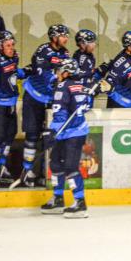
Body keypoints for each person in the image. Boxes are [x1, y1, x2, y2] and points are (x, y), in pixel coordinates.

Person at [40, 58, 94, 218]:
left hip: (73, 133)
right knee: (56, 164)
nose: (56, 75)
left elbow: (60, 114)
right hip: (71, 132)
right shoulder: (81, 87)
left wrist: (51, 131)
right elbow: (87, 104)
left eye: (58, 71)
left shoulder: (62, 87)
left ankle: (80, 203)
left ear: (66, 73)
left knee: (70, 167)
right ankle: (57, 199)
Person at [19, 24, 70, 187]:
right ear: (54, 37)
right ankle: (27, 171)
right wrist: (55, 79)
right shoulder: (43, 50)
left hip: (50, 100)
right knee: (32, 135)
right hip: (34, 98)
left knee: (48, 136)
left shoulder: (65, 53)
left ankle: (42, 171)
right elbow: (40, 71)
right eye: (63, 36)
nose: (66, 39)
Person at [0, 31, 26, 187]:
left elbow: (13, 73)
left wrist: (24, 72)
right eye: (8, 45)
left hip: (11, 102)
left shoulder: (14, 57)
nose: (11, 48)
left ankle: (1, 164)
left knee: (10, 134)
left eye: (12, 45)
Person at [98, 31, 131, 108]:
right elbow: (109, 83)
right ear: (130, 47)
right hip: (121, 104)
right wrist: (106, 87)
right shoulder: (119, 65)